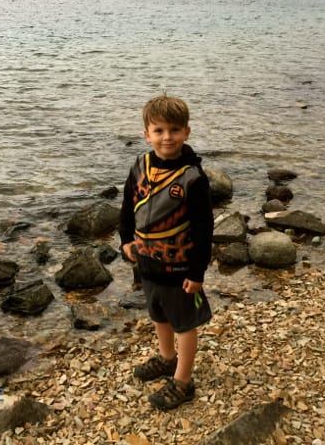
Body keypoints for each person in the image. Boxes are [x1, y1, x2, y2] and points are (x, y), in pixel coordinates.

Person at [119, 95, 214, 411]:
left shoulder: (192, 177)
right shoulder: (139, 165)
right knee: (158, 312)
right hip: (147, 260)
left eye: (174, 129)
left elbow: (204, 228)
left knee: (184, 322)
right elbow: (127, 205)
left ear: (187, 132)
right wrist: (125, 239)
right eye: (159, 130)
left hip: (179, 266)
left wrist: (197, 272)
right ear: (146, 134)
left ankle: (184, 381)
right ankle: (166, 357)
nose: (167, 137)